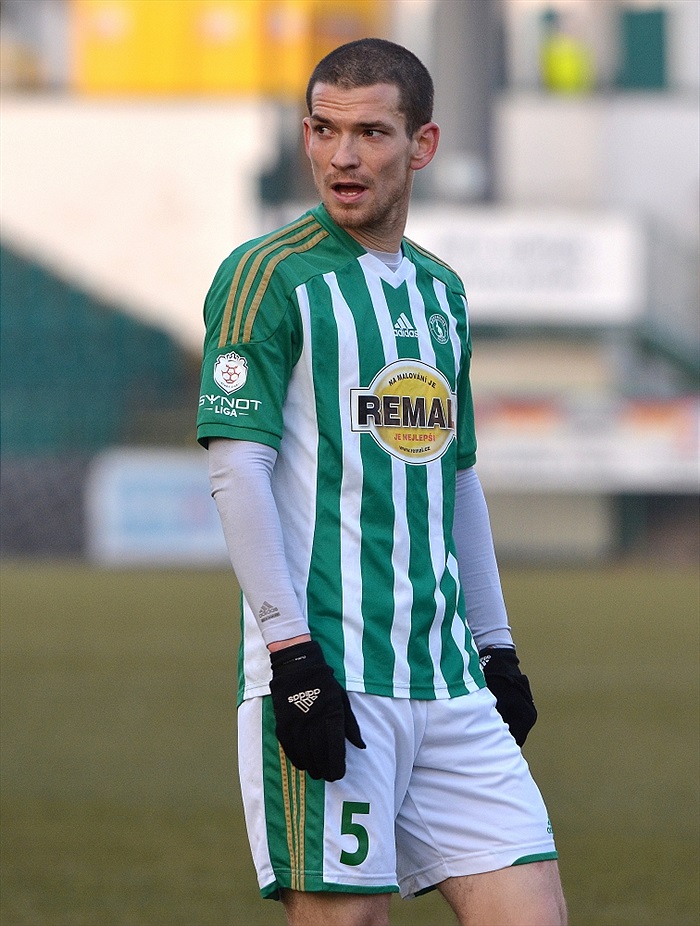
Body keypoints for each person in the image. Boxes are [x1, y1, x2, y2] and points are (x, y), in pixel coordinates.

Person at [197, 37, 567, 926]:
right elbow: (236, 465)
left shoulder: (441, 291)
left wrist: (496, 644)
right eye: (323, 130)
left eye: (369, 132)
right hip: (332, 669)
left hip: (447, 681)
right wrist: (290, 654)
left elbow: (458, 477)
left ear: (422, 146)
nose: (342, 156)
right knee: (345, 919)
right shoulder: (267, 276)